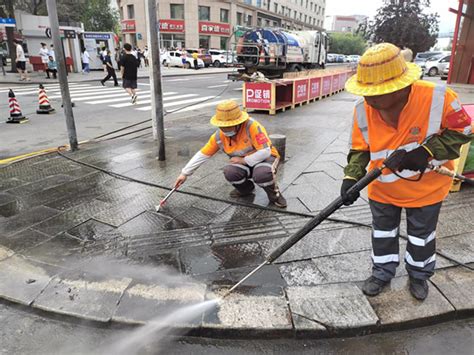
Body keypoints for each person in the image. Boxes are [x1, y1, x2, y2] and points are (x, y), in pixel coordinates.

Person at [341, 43, 471, 301]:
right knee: (382, 232)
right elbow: (360, 149)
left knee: (422, 236)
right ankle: (382, 271)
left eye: (376, 93)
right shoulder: (362, 109)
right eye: (365, 92)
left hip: (427, 189)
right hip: (382, 188)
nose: (369, 99)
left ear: (400, 87)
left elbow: (464, 131)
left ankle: (419, 274)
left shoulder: (439, 98)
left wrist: (427, 151)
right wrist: (351, 177)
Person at [174, 100, 287, 208]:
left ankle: (274, 196)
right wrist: (184, 173)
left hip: (266, 158)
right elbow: (203, 154)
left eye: (229, 126)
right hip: (242, 161)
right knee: (230, 171)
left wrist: (244, 161)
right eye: (222, 126)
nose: (225, 129)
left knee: (262, 174)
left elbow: (265, 151)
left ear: (238, 122)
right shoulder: (219, 136)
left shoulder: (252, 126)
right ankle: (246, 189)